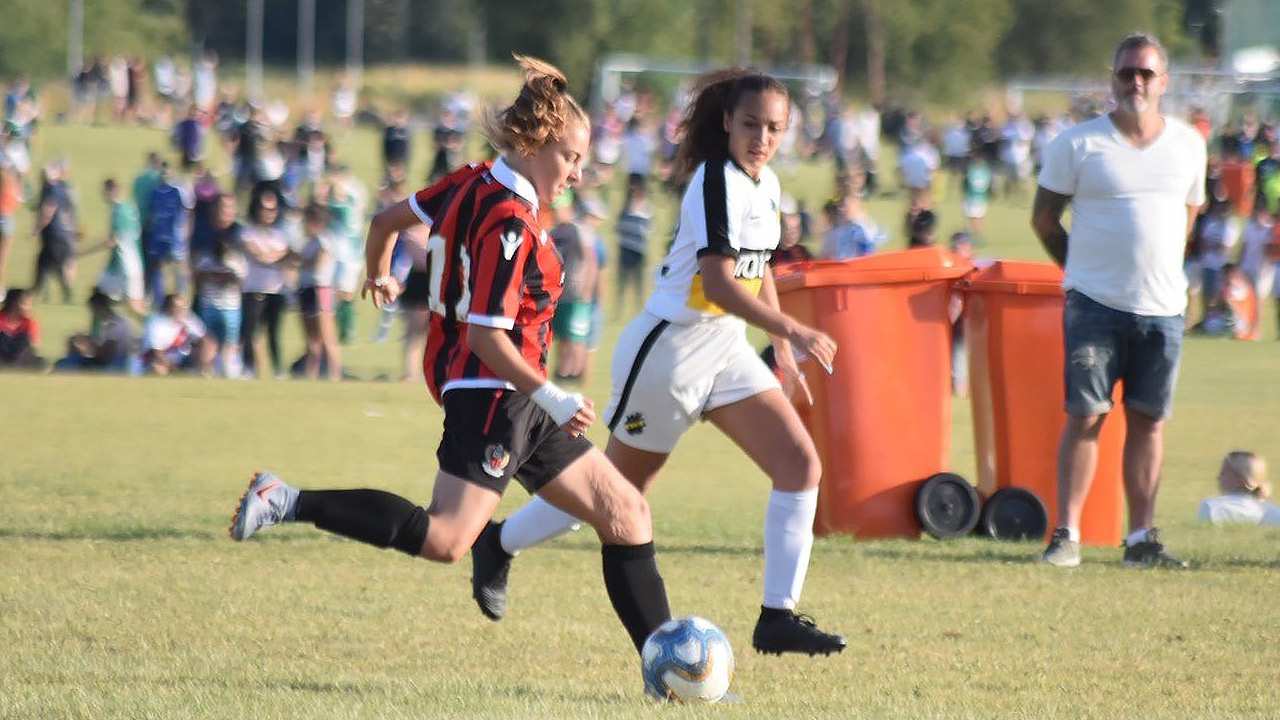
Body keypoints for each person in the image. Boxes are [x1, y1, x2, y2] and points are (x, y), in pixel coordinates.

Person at [226, 55, 672, 662]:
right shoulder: (510, 223)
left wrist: (378, 274)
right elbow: (488, 337)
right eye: (570, 157)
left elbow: (385, 221)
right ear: (533, 144)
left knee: (626, 513)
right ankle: (286, 499)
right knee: (444, 538)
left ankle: (665, 668)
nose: (577, 172)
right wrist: (553, 396)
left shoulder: (469, 180)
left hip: (510, 390)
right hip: (495, 392)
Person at [478, 68, 847, 656]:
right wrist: (793, 329)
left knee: (801, 466)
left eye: (774, 128)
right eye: (750, 124)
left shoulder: (768, 183)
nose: (761, 137)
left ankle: (777, 616)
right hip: (669, 355)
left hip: (725, 348)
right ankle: (498, 543)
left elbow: (759, 268)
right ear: (727, 122)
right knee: (614, 497)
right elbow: (720, 284)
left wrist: (779, 344)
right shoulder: (715, 180)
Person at [1032, 33, 1206, 568]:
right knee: (1085, 417)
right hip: (1094, 304)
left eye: (1146, 73)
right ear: (1112, 79)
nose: (1136, 82)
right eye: (1126, 72)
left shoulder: (1188, 144)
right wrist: (1079, 270)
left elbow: (1188, 214)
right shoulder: (1078, 143)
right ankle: (1067, 534)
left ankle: (1141, 540)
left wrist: (1159, 266)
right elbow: (1044, 218)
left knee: (1149, 421)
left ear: (1164, 81)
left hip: (1163, 307)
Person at [192, 193, 247, 378]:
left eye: (230, 207)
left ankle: (230, 372)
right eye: (222, 207)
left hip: (231, 303)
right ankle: (207, 371)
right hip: (208, 301)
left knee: (230, 342)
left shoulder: (239, 232)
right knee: (208, 339)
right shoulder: (202, 232)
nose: (226, 212)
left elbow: (241, 276)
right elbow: (196, 270)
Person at [239, 186, 290, 379]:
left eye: (273, 209)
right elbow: (257, 255)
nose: (269, 213)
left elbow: (289, 256)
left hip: (276, 290)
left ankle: (278, 370)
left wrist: (272, 256)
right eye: (265, 208)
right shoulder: (248, 232)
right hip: (253, 288)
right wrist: (277, 256)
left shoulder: (279, 234)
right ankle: (249, 368)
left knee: (274, 333)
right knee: (250, 331)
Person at [85, 178, 146, 316]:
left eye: (104, 191)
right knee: (97, 299)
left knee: (133, 309)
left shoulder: (119, 212)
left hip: (126, 266)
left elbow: (113, 241)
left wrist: (83, 252)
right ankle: (104, 328)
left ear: (110, 191)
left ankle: (156, 324)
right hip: (119, 266)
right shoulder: (130, 208)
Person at [294, 202, 341, 381]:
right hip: (306, 288)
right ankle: (311, 375)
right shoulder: (309, 242)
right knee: (312, 339)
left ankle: (335, 374)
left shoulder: (324, 240)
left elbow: (318, 262)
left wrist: (300, 261)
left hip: (320, 289)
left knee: (327, 337)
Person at [54, 290, 138, 373]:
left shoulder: (114, 326)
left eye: (94, 310)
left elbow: (104, 356)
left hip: (112, 365)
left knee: (68, 361)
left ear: (100, 307)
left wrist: (85, 345)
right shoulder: (123, 322)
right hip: (119, 362)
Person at [1198, 451, 1280, 526]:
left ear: (1241, 477)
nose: (1219, 477)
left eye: (1224, 473)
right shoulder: (1273, 511)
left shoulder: (1212, 507)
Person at [141, 293, 212, 375]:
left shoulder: (188, 318)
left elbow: (204, 339)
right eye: (177, 307)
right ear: (168, 307)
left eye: (183, 307)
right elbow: (156, 352)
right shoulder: (156, 323)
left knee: (206, 346)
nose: (181, 310)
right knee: (157, 368)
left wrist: (204, 359)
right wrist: (173, 368)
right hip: (160, 360)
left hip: (185, 359)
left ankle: (202, 371)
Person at [0, 287, 44, 368]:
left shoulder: (30, 323)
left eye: (31, 304)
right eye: (26, 304)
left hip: (20, 360)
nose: (29, 308)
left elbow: (34, 346)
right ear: (14, 304)